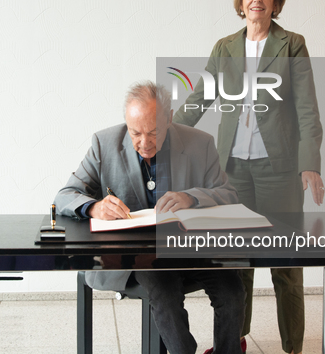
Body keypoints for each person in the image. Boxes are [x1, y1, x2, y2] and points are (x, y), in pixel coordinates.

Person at [172, 0, 324, 354]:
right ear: (241, 2)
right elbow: (201, 96)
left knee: (285, 264)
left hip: (280, 169)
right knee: (237, 261)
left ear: (275, 2)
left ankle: (293, 348)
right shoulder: (225, 47)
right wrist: (166, 131)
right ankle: (234, 342)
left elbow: (307, 108)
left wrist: (310, 164)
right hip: (233, 171)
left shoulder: (291, 44)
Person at [55, 81, 245, 354]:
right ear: (126, 123)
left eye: (154, 132)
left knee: (232, 292)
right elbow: (64, 195)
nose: (144, 143)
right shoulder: (103, 143)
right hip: (137, 255)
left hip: (192, 248)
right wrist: (94, 208)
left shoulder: (200, 143)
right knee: (164, 293)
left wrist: (191, 197)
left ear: (169, 118)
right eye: (136, 133)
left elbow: (228, 195)